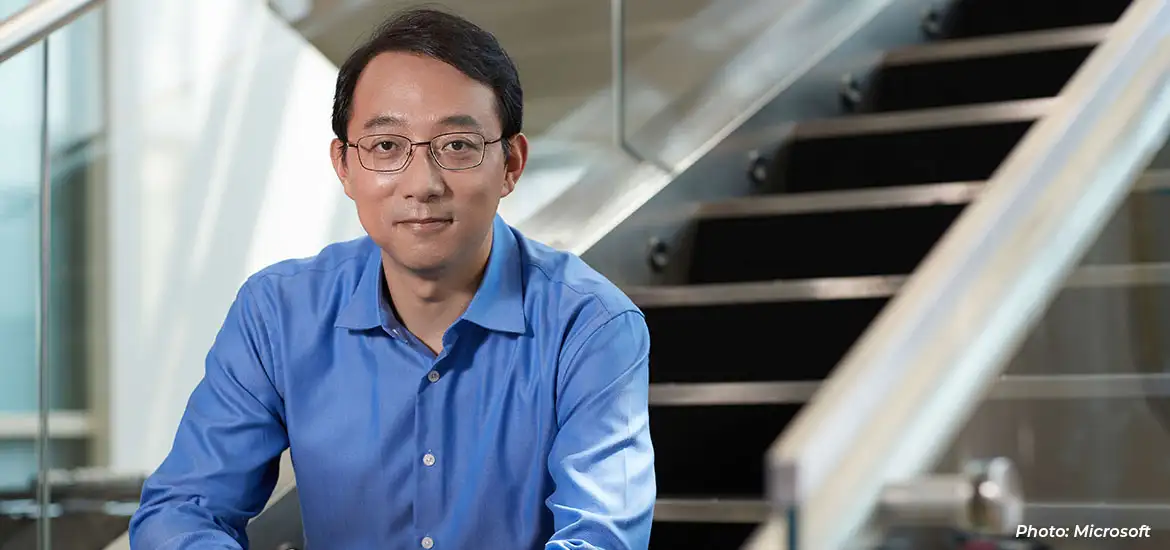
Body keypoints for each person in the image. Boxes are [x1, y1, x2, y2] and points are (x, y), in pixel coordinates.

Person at [128, 7, 656, 550]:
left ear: (511, 165)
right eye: (386, 146)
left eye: (458, 145)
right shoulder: (279, 313)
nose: (422, 184)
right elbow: (182, 511)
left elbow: (602, 538)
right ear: (344, 165)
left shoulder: (590, 326)